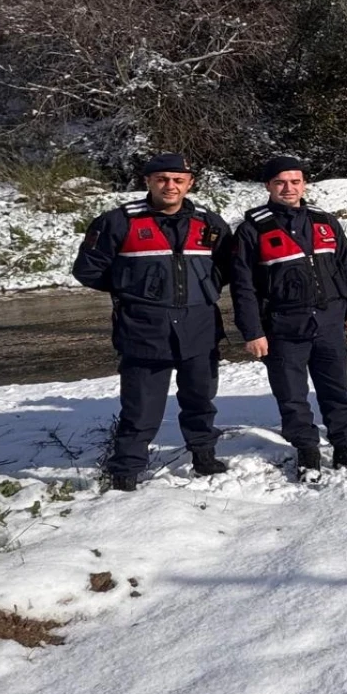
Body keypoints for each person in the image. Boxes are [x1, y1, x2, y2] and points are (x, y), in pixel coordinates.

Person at [72, 153, 233, 491]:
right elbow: (87, 270)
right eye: (162, 179)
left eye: (178, 180)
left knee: (201, 400)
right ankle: (126, 470)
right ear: (148, 181)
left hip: (199, 328)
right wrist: (135, 289)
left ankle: (203, 454)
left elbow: (228, 268)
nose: (170, 186)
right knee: (141, 408)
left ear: (189, 183)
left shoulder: (210, 223)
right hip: (144, 331)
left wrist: (198, 289)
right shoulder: (119, 222)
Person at [231, 156, 347, 481]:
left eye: (295, 181)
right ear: (268, 186)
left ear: (304, 184)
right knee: (292, 395)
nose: (289, 188)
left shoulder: (325, 221)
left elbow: (345, 267)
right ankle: (307, 449)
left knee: (336, 389)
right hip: (283, 327)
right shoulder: (253, 229)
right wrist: (253, 332)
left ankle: (345, 446)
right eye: (281, 182)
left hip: (328, 322)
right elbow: (243, 288)